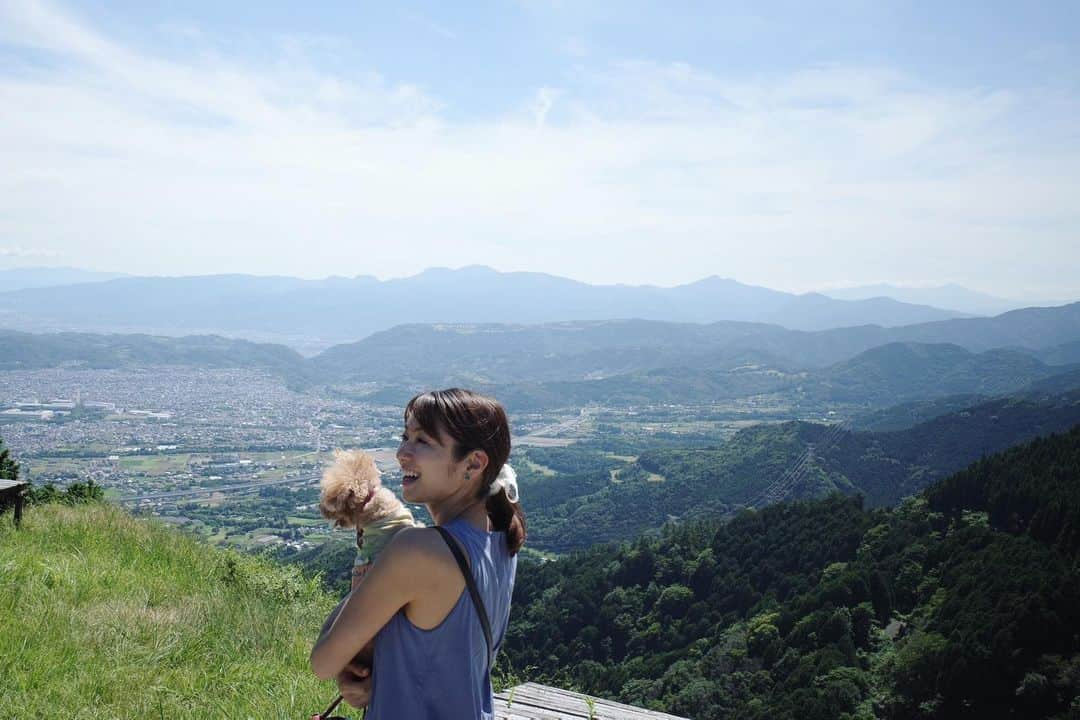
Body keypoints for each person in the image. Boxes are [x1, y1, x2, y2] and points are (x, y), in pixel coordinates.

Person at [310, 388, 526, 719]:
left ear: (474, 463)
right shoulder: (501, 540)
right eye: (405, 437)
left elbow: (323, 661)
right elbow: (442, 663)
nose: (402, 453)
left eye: (422, 441)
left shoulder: (419, 550)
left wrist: (372, 551)